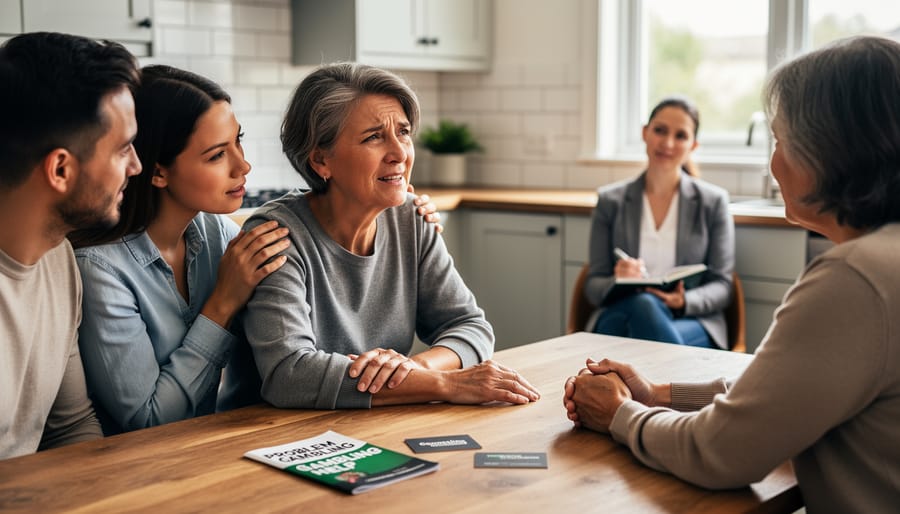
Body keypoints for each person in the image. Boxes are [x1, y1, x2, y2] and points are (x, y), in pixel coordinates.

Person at [563, 36, 900, 513]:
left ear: (829, 152)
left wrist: (620, 413)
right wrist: (659, 393)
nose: (773, 162)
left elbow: (718, 453)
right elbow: (786, 394)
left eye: (780, 140)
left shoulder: (853, 280)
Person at [67, 66, 445, 434]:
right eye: (216, 155)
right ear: (156, 171)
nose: (243, 165)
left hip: (218, 441)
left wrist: (393, 208)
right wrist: (222, 304)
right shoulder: (100, 268)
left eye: (238, 141)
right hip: (132, 466)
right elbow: (149, 422)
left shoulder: (216, 234)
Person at [226, 62, 540, 410]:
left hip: (371, 421)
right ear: (320, 160)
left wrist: (415, 369)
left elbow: (470, 326)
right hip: (263, 435)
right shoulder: (277, 235)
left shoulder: (411, 218)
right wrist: (442, 384)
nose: (400, 153)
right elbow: (290, 374)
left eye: (403, 133)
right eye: (374, 137)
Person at [0, 32, 141, 458]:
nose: (135, 165)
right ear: (60, 168)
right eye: (122, 150)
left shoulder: (58, 257)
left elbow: (71, 427)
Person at [584, 96, 734, 349]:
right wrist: (617, 280)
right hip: (623, 311)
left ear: (693, 145)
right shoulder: (611, 201)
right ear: (645, 133)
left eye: (680, 136)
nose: (667, 143)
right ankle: (673, 386)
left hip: (688, 320)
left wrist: (683, 300)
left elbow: (722, 285)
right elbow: (593, 285)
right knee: (640, 306)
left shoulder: (713, 202)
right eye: (660, 131)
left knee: (626, 329)